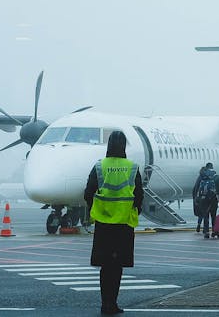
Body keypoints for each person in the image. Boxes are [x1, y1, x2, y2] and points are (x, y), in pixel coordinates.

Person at [83, 130, 143, 315]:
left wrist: (98, 208)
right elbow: (139, 195)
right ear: (124, 145)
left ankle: (105, 303)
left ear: (108, 145)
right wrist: (133, 211)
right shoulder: (132, 167)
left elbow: (88, 193)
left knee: (105, 266)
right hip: (124, 224)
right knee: (117, 267)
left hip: (103, 223)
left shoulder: (99, 166)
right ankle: (114, 303)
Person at [193, 162, 219, 238]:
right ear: (212, 167)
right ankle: (214, 231)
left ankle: (206, 232)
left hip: (203, 199)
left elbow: (196, 187)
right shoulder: (216, 176)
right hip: (213, 199)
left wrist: (195, 198)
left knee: (205, 215)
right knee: (213, 215)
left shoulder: (201, 176)